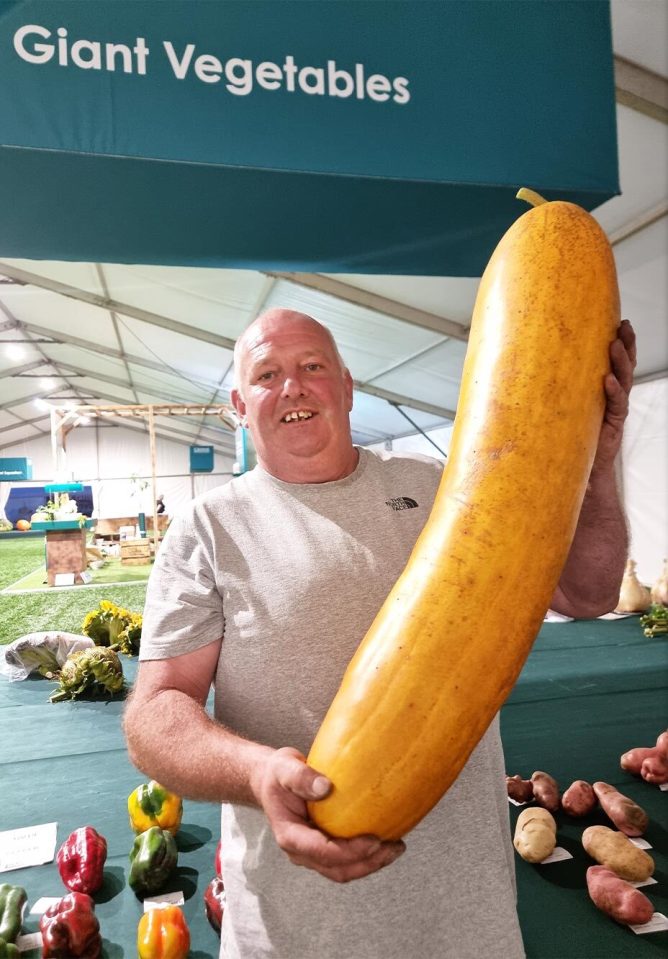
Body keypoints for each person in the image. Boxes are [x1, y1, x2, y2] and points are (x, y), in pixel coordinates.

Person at [124, 308, 635, 958]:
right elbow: (154, 714)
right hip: (297, 933)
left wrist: (596, 464)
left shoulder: (440, 487)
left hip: (467, 927)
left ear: (347, 383)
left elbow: (585, 591)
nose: (293, 387)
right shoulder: (208, 529)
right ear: (238, 404)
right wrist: (256, 771)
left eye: (313, 367)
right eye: (267, 374)